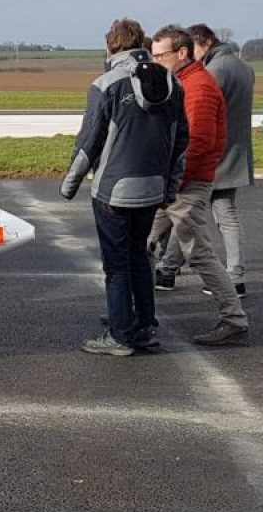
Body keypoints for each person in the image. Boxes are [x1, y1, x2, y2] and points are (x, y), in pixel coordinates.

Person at [60, 19, 188, 356]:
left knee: (115, 265)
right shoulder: (172, 82)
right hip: (153, 187)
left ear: (111, 46)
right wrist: (170, 186)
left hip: (114, 189)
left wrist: (69, 185)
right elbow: (180, 141)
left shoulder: (106, 84)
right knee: (138, 257)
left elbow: (89, 142)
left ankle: (119, 335)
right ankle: (142, 325)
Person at [144, 26, 248, 345]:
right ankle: (139, 312)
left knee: (198, 252)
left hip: (186, 185)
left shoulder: (199, 88)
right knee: (144, 242)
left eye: (160, 55)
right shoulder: (184, 82)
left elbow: (197, 144)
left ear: (182, 53)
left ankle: (234, 317)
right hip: (176, 183)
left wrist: (171, 184)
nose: (156, 61)